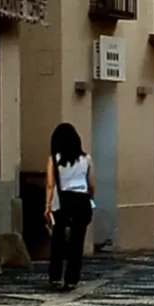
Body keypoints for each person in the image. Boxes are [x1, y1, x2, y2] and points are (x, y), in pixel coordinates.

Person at [45, 123, 95, 289]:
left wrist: (47, 206)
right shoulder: (86, 159)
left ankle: (55, 276)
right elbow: (91, 183)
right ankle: (72, 279)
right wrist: (91, 199)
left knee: (58, 240)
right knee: (77, 241)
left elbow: (50, 185)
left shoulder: (54, 159)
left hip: (63, 200)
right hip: (82, 200)